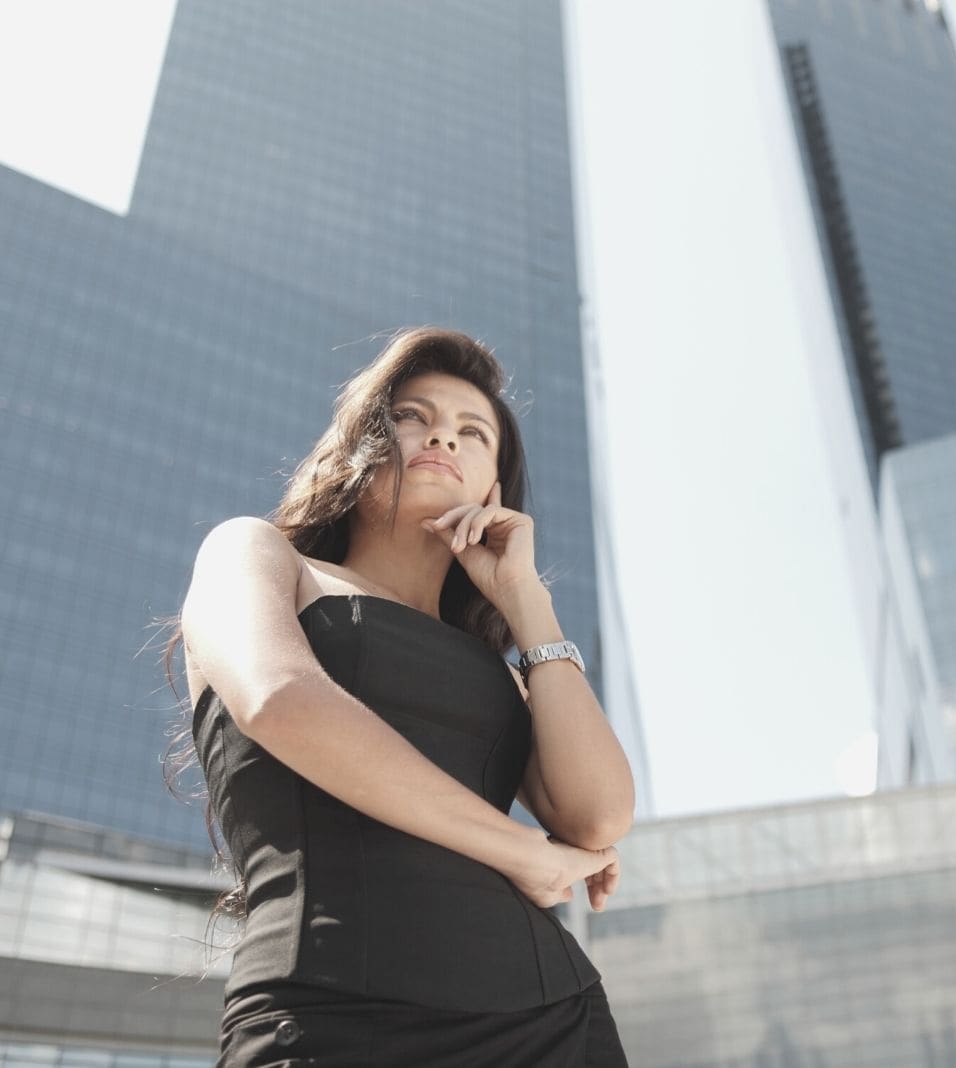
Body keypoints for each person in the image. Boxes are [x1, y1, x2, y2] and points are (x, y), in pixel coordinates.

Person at [172, 327, 634, 1066]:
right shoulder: (258, 555)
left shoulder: (499, 668)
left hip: (549, 1021)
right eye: (413, 416)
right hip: (332, 1008)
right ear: (361, 438)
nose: (442, 438)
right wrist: (520, 850)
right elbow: (280, 699)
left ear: (492, 487)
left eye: (471, 432)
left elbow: (601, 815)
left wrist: (526, 602)